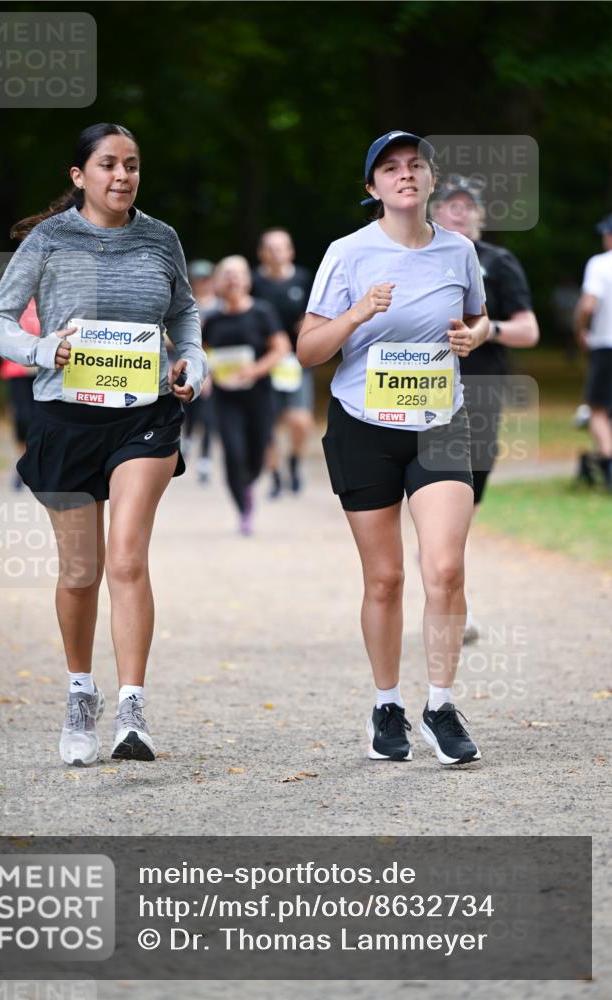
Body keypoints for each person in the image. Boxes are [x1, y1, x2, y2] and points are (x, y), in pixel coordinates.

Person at [0, 122, 207, 765]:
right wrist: (40, 348)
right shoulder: (50, 240)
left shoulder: (161, 238)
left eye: (132, 165)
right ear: (79, 176)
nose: (122, 176)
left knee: (127, 558)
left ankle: (132, 707)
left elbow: (184, 314)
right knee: (81, 572)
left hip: (145, 414)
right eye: (108, 164)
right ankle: (82, 691)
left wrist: (191, 363)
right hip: (64, 416)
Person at [297, 130, 489, 766]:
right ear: (372, 187)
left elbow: (479, 317)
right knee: (384, 578)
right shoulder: (347, 254)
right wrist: (355, 315)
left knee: (445, 567)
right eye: (390, 168)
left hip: (440, 421)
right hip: (363, 423)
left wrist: (473, 337)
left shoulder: (458, 250)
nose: (405, 175)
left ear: (431, 181)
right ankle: (386, 704)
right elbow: (309, 350)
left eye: (416, 166)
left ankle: (439, 704)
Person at [429, 175, 539, 642]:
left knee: (462, 505)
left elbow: (530, 331)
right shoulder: (414, 260)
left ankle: (444, 594)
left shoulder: (498, 262)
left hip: (480, 392)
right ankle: (450, 609)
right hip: (424, 391)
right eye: (449, 206)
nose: (458, 213)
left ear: (480, 216)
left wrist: (487, 331)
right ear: (433, 213)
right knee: (434, 500)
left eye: (466, 207)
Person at [203, 255, 290, 534]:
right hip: (225, 397)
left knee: (256, 452)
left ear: (248, 280)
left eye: (238, 273)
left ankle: (248, 483)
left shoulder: (261, 312)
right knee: (232, 451)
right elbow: (200, 352)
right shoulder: (213, 319)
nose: (232, 278)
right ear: (217, 282)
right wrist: (204, 377)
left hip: (259, 395)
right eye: (226, 273)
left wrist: (254, 370)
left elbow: (281, 348)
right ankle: (243, 509)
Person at [252, 229, 314, 496]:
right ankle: (275, 475)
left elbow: (319, 314)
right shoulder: (253, 282)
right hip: (264, 361)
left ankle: (294, 461)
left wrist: (309, 326)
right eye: (271, 247)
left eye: (282, 247)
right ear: (262, 252)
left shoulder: (303, 279)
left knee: (300, 420)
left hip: (297, 361)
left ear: (290, 251)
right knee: (266, 423)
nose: (277, 253)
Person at [574, 213, 612, 490]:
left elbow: (588, 305)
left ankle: (609, 465)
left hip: (605, 344)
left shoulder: (600, 264)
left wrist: (581, 330)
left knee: (597, 409)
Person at [182, 259, 217, 484]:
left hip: (213, 366)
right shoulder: (187, 304)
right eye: (198, 279)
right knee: (189, 413)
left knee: (208, 415)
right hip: (186, 364)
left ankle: (205, 460)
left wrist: (210, 372)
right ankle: (186, 442)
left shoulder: (219, 307)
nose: (202, 283)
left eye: (206, 279)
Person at [0, 298, 39, 489]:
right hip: (16, 370)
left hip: (43, 370)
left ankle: (32, 464)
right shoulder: (13, 298)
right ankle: (22, 462)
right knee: (22, 418)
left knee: (38, 419)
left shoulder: (51, 296)